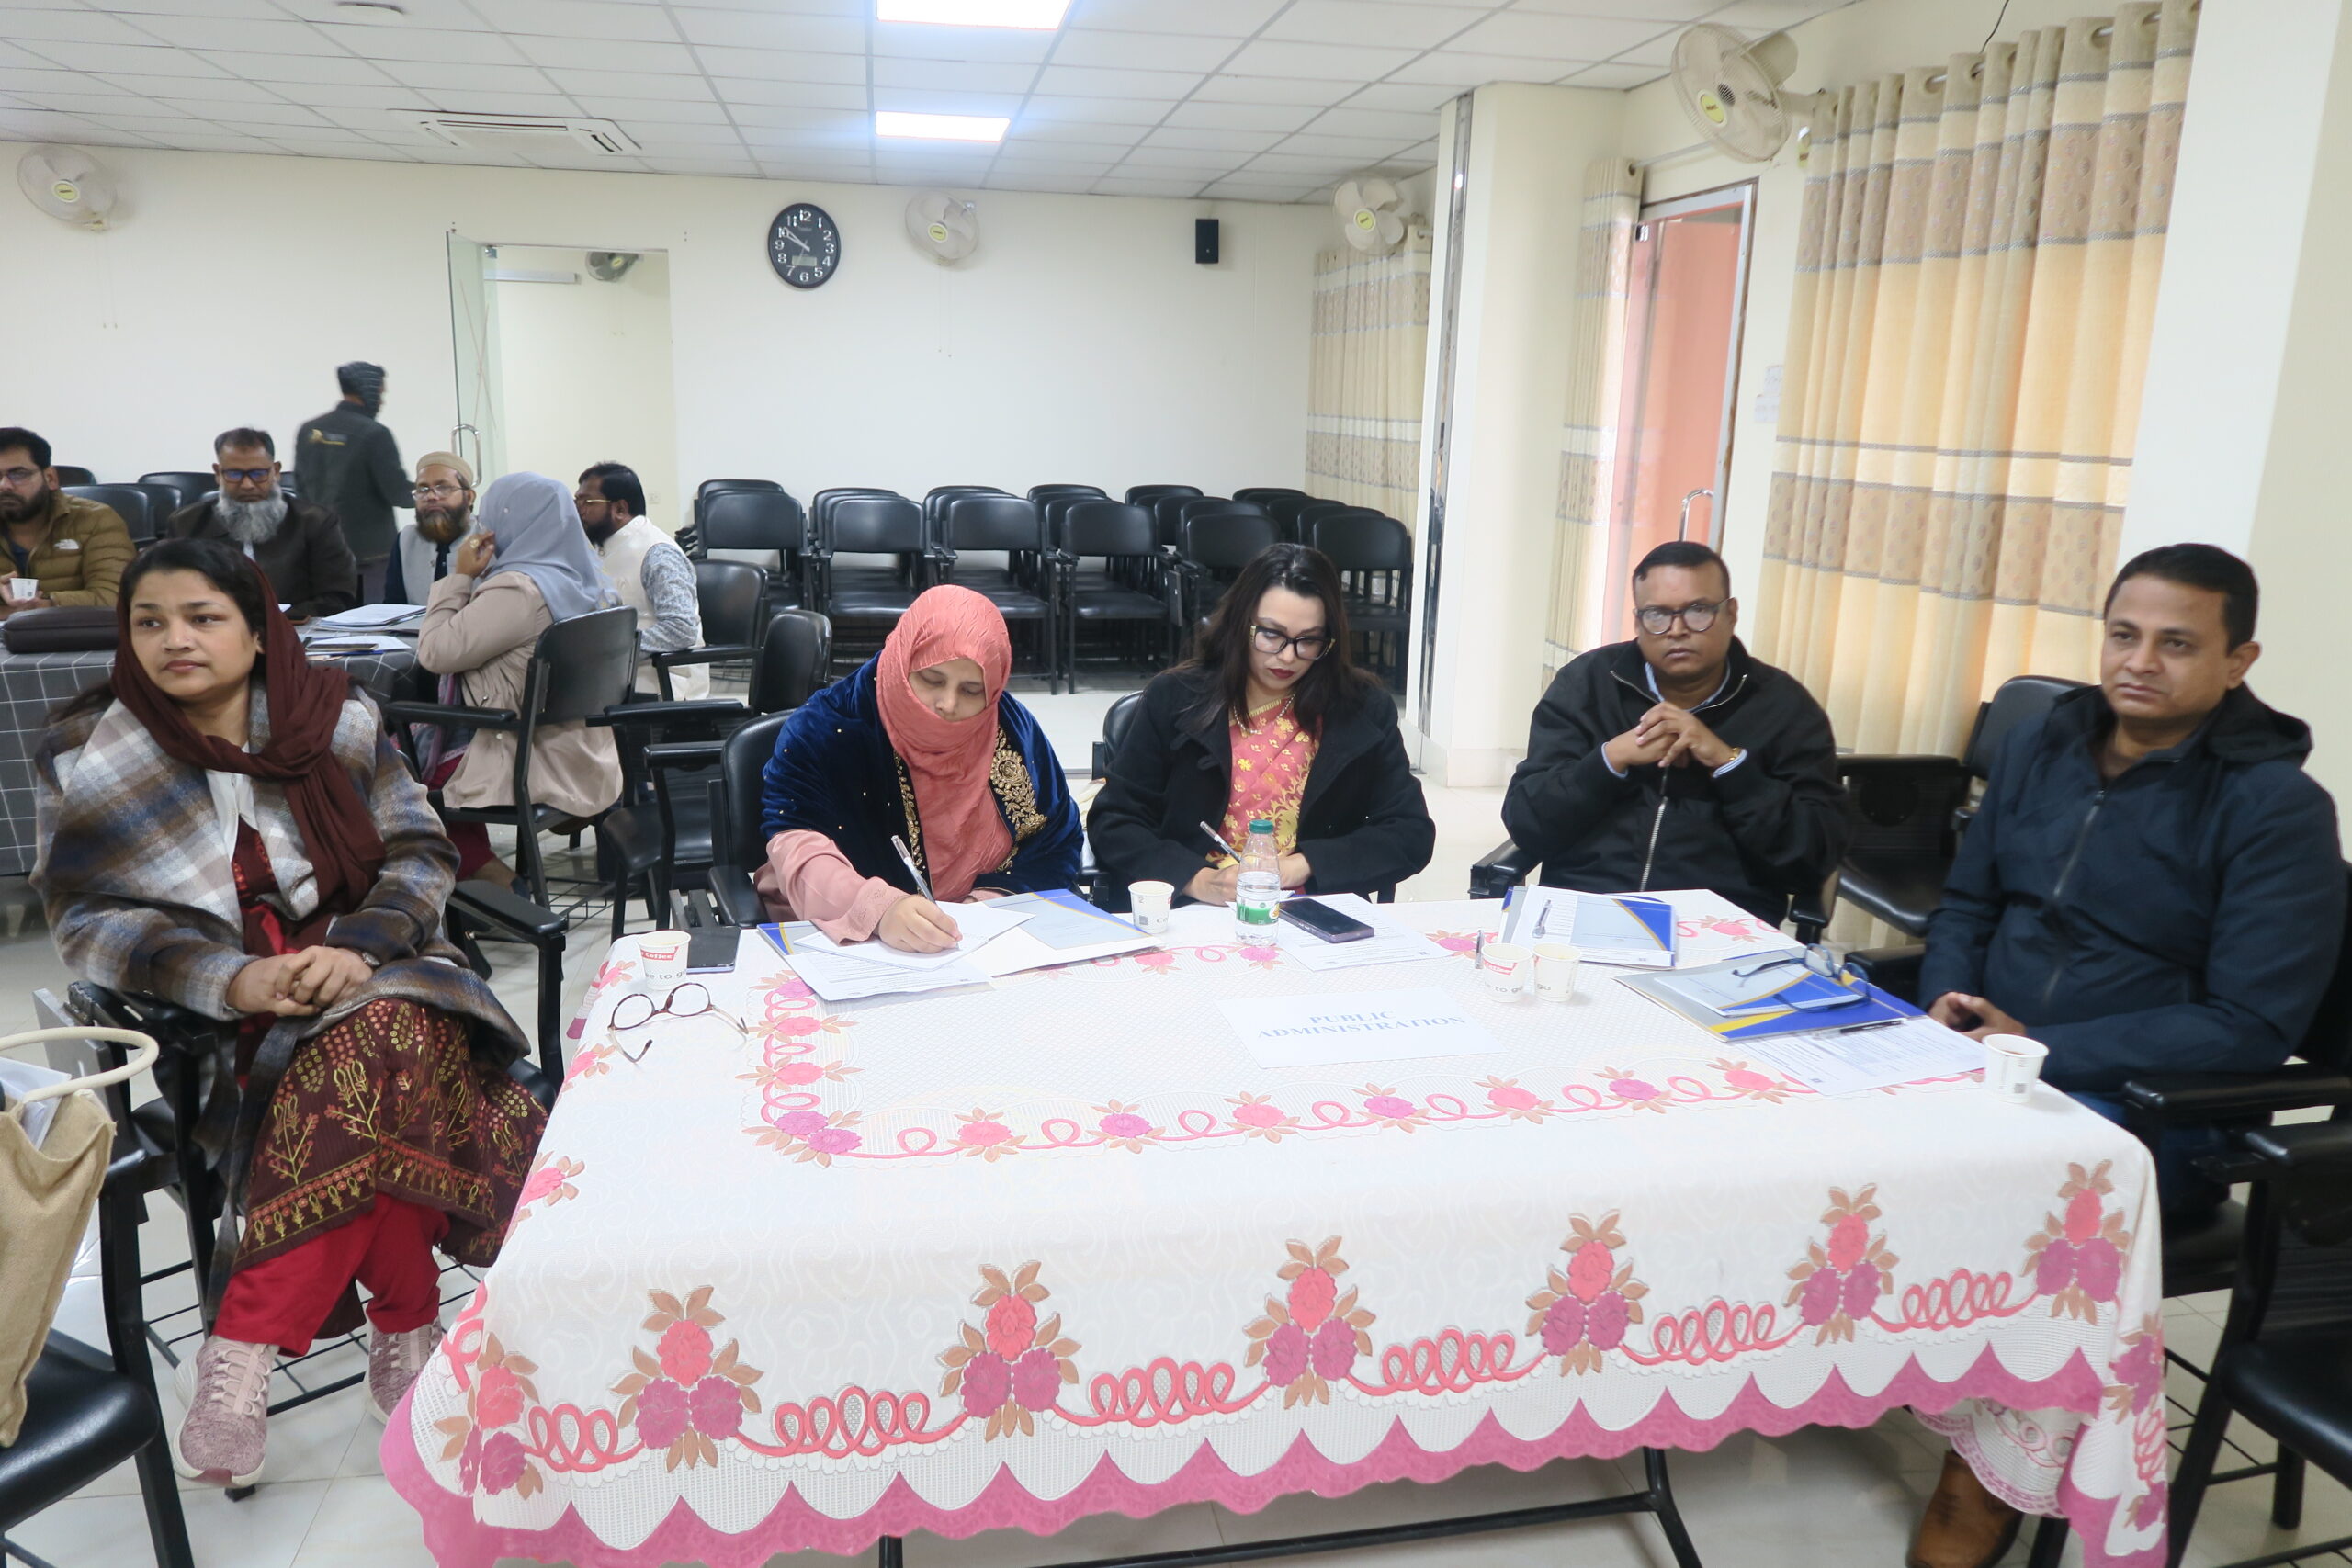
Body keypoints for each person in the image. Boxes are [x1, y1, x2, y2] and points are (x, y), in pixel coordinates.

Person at [29, 537, 546, 1488]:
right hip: (216, 1017)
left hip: (376, 963)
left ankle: (242, 1344)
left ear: (259, 630)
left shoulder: (336, 718)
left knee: (384, 1026)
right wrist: (232, 980)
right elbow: (87, 922)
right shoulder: (92, 747)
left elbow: (421, 852)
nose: (175, 640)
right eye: (149, 622)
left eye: (203, 618)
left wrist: (360, 947)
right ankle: (409, 1323)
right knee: (390, 1059)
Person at [1905, 544, 2345, 1568]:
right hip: (1991, 1055)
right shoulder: (2044, 742)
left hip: (2151, 1112)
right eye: (2123, 634)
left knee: (1999, 1198)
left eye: (2176, 644)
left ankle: (1979, 1486)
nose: (2139, 662)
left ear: (2238, 661)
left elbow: (2251, 1024)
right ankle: (1854, 1369)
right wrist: (1946, 1004)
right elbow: (1968, 900)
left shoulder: (2275, 807)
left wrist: (2041, 1049)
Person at [1500, 540, 1844, 924]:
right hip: (1585, 911)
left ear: (1731, 613)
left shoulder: (1785, 708)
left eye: (1698, 611)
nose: (1677, 630)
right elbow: (1527, 823)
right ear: (1637, 622)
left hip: (1720, 924)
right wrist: (1610, 759)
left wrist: (1729, 764)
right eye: (1657, 614)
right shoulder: (1587, 684)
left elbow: (1811, 861)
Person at [1089, 543, 1434, 908]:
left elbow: (1410, 833)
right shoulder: (1176, 697)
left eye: (1308, 640)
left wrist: (1301, 866)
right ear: (1241, 623)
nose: (1287, 656)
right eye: (1271, 634)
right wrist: (1199, 881)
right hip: (1190, 907)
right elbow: (1114, 822)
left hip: (1312, 906)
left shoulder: (1361, 708)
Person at [757, 584, 1080, 952]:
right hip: (852, 941)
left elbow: (1055, 835)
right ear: (903, 660)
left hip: (982, 941)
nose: (948, 704)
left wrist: (988, 904)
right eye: (932, 680)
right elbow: (796, 844)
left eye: (971, 690)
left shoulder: (1009, 727)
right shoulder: (827, 728)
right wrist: (878, 909)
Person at [415, 472, 624, 886]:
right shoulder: (587, 579)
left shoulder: (517, 590)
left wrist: (460, 577)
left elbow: (435, 653)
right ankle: (479, 894)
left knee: (394, 779)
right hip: (576, 752)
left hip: (517, 752)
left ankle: (504, 896)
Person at [167, 427, 358, 621]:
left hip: (293, 629)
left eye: (258, 474)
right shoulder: (186, 524)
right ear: (218, 473)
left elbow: (337, 597)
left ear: (276, 471)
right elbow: (169, 591)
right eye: (234, 474)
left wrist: (271, 622)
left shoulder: (315, 521)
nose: (247, 485)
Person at [575, 462, 706, 699]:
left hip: (661, 684)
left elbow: (682, 629)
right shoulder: (604, 547)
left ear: (620, 509)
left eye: (588, 502)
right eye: (577, 502)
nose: (579, 511)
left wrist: (613, 647)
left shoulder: (657, 554)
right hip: (620, 676)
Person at [294, 362, 411, 603]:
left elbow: (299, 488)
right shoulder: (375, 434)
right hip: (370, 555)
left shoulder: (309, 430)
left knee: (331, 617)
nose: (382, 401)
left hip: (321, 551)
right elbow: (397, 492)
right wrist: (435, 491)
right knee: (372, 619)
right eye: (380, 393)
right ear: (368, 390)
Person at [0, 426, 135, 614]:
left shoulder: (96, 519)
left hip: (76, 631)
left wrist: (48, 604)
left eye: (18, 474)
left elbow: (115, 597)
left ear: (50, 478)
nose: (4, 485)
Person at [383, 451, 478, 606]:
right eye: (423, 489)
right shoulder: (406, 539)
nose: (431, 496)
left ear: (469, 497)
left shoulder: (487, 538)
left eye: (444, 488)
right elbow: (394, 606)